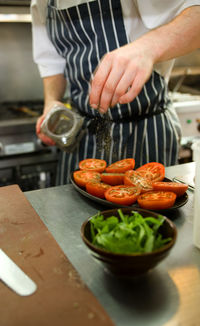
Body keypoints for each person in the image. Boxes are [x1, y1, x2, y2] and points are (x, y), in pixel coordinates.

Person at [31, 0, 200, 184]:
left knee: (142, 211)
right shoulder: (41, 2)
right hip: (82, 135)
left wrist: (146, 48)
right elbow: (51, 59)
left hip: (145, 131)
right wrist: (51, 101)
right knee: (70, 210)